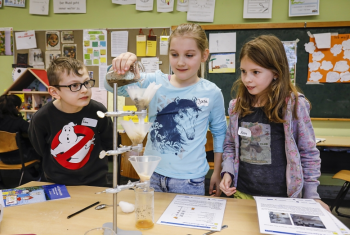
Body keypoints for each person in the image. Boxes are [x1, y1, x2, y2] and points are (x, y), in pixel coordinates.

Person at [104, 23, 227, 196]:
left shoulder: (212, 92)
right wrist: (121, 66)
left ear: (204, 55)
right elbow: (111, 85)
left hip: (189, 180)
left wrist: (217, 171)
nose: (181, 62)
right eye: (174, 54)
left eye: (189, 55)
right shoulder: (154, 81)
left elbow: (220, 132)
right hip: (151, 174)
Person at [219, 35, 330, 211]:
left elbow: (308, 153)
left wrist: (312, 196)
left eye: (255, 72)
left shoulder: (293, 105)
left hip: (282, 199)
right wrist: (227, 172)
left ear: (276, 73)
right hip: (242, 194)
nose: (247, 79)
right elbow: (231, 146)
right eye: (243, 71)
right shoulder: (236, 107)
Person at [28, 57, 113, 187]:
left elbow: (109, 143)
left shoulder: (98, 111)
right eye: (74, 85)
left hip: (95, 182)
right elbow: (40, 149)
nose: (84, 89)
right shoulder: (41, 118)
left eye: (86, 82)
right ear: (55, 92)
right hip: (56, 183)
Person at [0, 94, 41, 189]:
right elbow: (33, 132)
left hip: (1, 158)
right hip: (20, 158)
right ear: (16, 108)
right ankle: (38, 178)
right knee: (40, 151)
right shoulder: (18, 122)